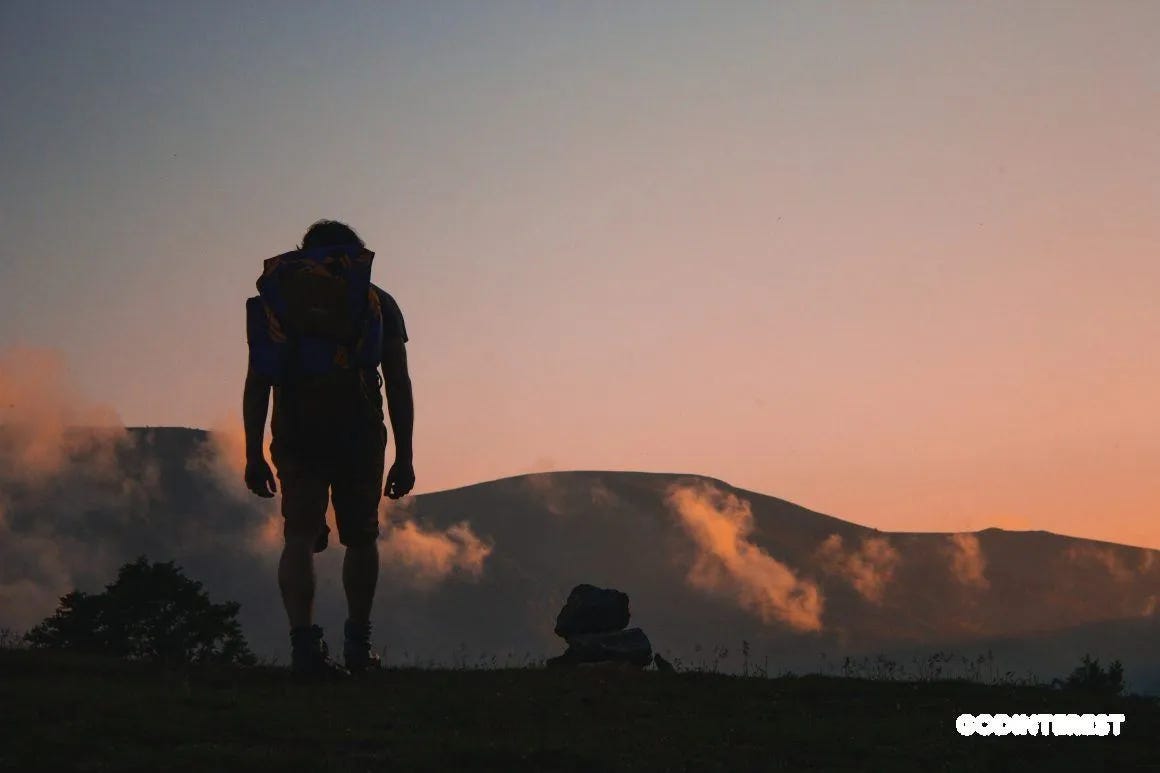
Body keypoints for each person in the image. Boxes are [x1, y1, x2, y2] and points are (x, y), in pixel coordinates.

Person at [242, 219, 415, 678]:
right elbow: (398, 381)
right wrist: (405, 455)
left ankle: (304, 648)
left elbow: (258, 381)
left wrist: (253, 453)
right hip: (359, 430)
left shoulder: (280, 302)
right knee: (361, 538)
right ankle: (358, 647)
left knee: (298, 537)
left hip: (296, 429)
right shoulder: (376, 302)